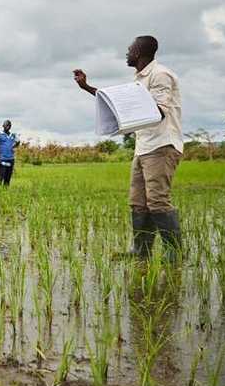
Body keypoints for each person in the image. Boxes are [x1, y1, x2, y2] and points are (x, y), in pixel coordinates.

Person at [74, 35, 183, 258]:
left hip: (161, 145)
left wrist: (131, 111)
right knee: (138, 202)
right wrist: (87, 88)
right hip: (143, 147)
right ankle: (141, 250)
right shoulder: (139, 80)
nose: (127, 53)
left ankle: (174, 253)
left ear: (140, 52)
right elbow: (120, 103)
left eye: (130, 49)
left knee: (158, 200)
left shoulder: (160, 74)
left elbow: (160, 111)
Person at [0, 120, 18, 186]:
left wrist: (15, 146)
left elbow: (17, 142)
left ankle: (5, 191)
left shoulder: (13, 135)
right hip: (2, 159)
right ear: (3, 126)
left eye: (9, 125)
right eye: (6, 125)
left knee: (8, 177)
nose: (8, 126)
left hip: (11, 159)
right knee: (1, 176)